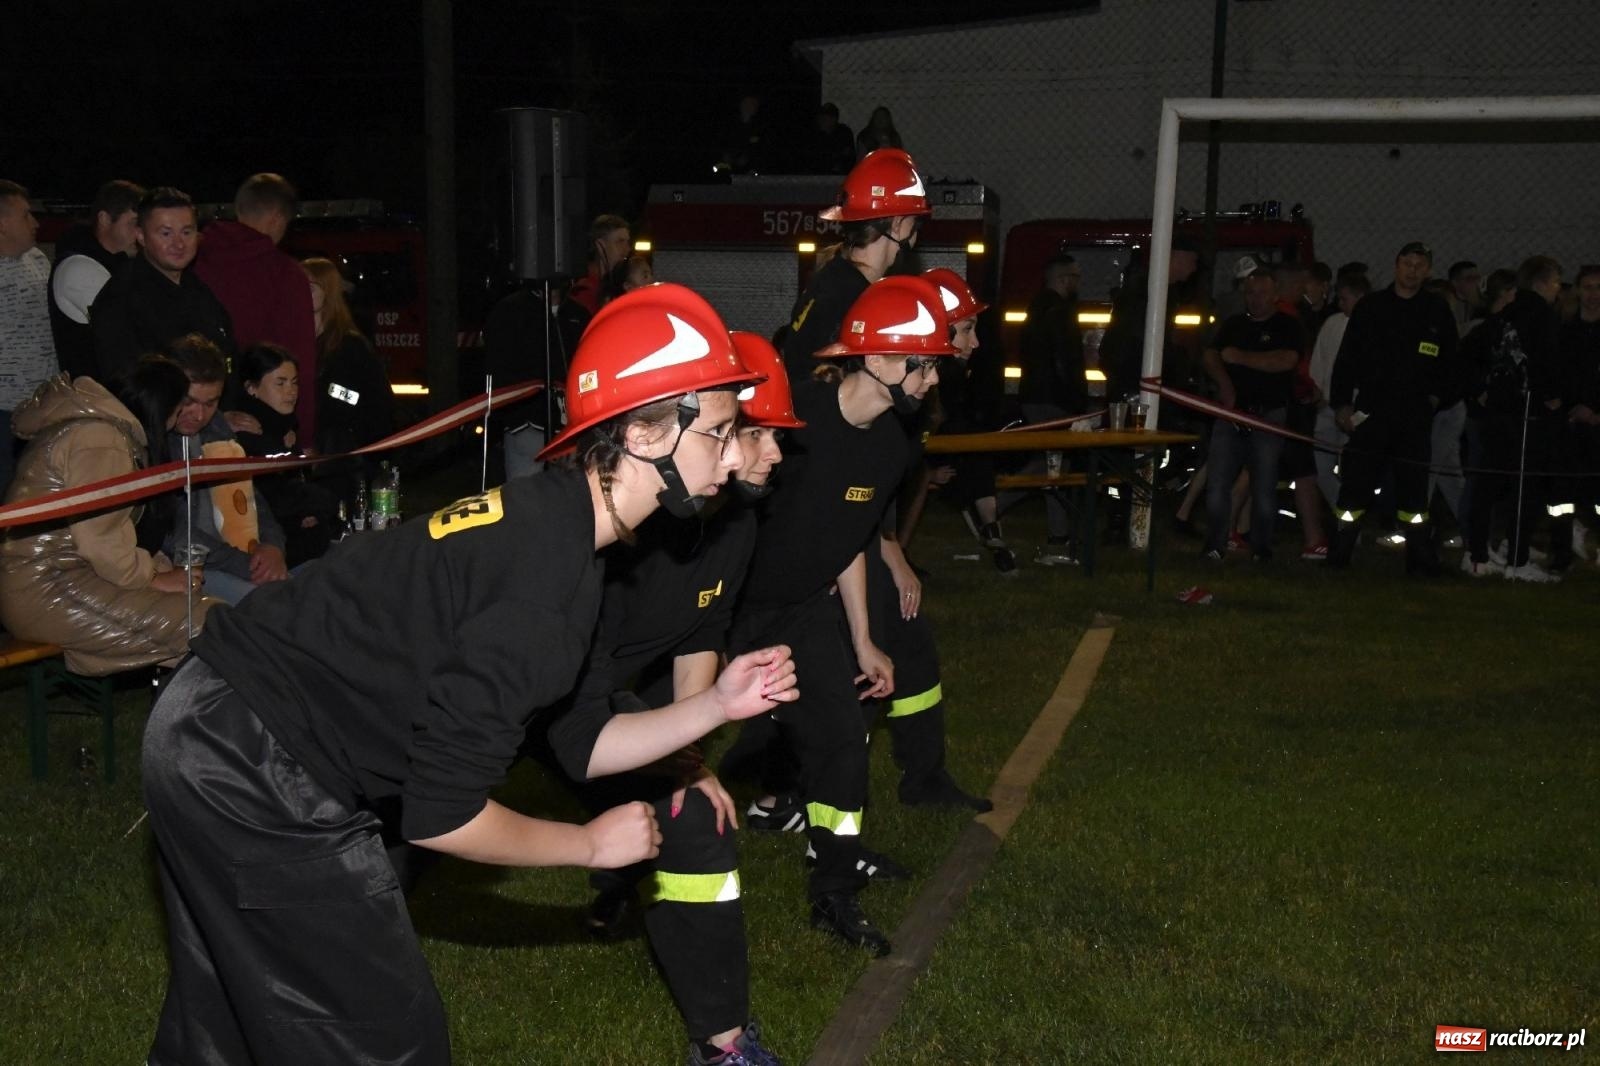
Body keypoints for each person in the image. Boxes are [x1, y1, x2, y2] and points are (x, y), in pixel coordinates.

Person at [140, 284, 795, 1065]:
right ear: (646, 431)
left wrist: (715, 703)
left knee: (226, 1018)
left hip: (213, 723)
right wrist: (585, 843)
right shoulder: (546, 588)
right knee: (388, 1043)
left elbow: (583, 741)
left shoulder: (562, 526)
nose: (737, 456)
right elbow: (442, 816)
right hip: (251, 760)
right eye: (720, 432)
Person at [547, 328, 798, 1066]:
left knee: (693, 822)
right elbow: (576, 688)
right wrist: (678, 762)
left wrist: (686, 758)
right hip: (546, 691)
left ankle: (721, 1046)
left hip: (593, 693)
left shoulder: (736, 520)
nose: (775, 456)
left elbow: (702, 631)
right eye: (755, 437)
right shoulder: (621, 526)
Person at [731, 275, 958, 957]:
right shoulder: (795, 419)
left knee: (840, 736)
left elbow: (851, 538)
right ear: (881, 360)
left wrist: (862, 639)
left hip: (799, 611)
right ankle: (622, 874)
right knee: (671, 745)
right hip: (726, 610)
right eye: (924, 364)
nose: (932, 379)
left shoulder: (892, 446)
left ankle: (834, 881)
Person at [1, 357, 215, 674]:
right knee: (209, 624)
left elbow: (103, 536)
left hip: (54, 583)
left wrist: (160, 571)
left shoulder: (97, 430)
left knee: (209, 621)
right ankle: (203, 718)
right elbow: (99, 540)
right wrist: (154, 578)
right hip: (50, 590)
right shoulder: (100, 439)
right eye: (178, 407)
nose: (179, 418)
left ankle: (193, 713)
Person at [1328, 242, 1459, 575]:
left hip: (1415, 417)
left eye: (1420, 264)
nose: (1412, 270)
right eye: (1407, 263)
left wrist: (1435, 398)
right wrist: (1342, 403)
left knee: (1414, 495)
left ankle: (1420, 560)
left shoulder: (1436, 310)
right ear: (1396, 265)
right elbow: (1347, 360)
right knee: (1355, 486)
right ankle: (1339, 555)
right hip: (1371, 413)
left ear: (1428, 270)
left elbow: (1451, 364)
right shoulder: (1371, 308)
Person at [779, 147, 931, 380]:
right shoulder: (855, 299)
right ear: (899, 225)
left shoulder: (834, 278)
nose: (917, 234)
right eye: (916, 223)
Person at [162, 334, 289, 605]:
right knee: (263, 606)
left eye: (210, 404)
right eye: (189, 401)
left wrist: (273, 546)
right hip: (183, 566)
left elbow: (251, 495)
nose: (198, 414)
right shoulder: (158, 440)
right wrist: (247, 565)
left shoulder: (217, 430)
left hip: (235, 558)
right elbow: (172, 532)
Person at [194, 173, 320, 442]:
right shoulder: (284, 274)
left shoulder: (194, 261)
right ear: (277, 219)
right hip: (265, 424)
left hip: (200, 414)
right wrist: (305, 437)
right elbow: (300, 359)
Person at [1200, 268, 1305, 562]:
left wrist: (1241, 358)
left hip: (1267, 417)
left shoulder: (1288, 326)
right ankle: (1214, 545)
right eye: (1250, 293)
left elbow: (1285, 360)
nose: (1255, 299)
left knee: (1264, 485)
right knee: (1218, 483)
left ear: (1275, 296)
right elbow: (1211, 355)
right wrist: (1225, 384)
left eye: (1261, 293)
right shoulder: (1233, 325)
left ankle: (1261, 547)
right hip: (1232, 415)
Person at [90, 187, 234, 389]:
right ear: (140, 236)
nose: (179, 243)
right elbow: (125, 382)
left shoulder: (199, 289)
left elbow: (226, 356)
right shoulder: (120, 299)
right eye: (166, 233)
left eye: (186, 232)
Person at [232, 343, 341, 565]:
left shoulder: (283, 428)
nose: (291, 391)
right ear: (252, 388)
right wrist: (314, 505)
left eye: (294, 382)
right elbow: (273, 497)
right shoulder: (249, 436)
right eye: (280, 383)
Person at [303, 257, 394, 507]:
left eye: (309, 287)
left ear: (328, 292)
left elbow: (357, 399)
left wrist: (325, 393)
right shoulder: (296, 342)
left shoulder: (349, 346)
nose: (299, 293)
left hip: (344, 457)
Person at [1017, 254, 1086, 564]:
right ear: (1062, 279)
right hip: (1054, 398)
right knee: (1054, 466)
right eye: (1074, 276)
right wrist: (1076, 402)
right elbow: (1064, 361)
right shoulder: (1060, 313)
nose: (1077, 283)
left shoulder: (1037, 308)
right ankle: (992, 500)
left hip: (1036, 393)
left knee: (1051, 463)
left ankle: (1059, 533)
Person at [46, 179, 144, 378]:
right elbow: (131, 329)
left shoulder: (119, 263)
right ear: (105, 219)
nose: (141, 234)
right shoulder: (79, 268)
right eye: (134, 223)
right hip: (94, 400)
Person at [0, 180, 57, 498]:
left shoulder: (37, 259)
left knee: (35, 496)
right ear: (2, 223)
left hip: (43, 405)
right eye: (25, 215)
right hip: (2, 411)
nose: (35, 223)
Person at [1308, 273, 1370, 508]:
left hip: (1358, 407)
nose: (1340, 304)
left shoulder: (1375, 325)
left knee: (1353, 466)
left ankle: (1352, 514)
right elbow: (1320, 360)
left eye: (1344, 299)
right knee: (1320, 466)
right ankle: (1342, 511)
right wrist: (1320, 393)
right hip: (1328, 405)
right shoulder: (1333, 324)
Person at [568, 213, 632, 316]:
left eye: (627, 242)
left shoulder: (618, 285)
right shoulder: (585, 290)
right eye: (620, 242)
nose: (627, 249)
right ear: (600, 245)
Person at [810, 103, 855, 175]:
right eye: (820, 117)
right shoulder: (814, 135)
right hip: (818, 174)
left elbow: (847, 156)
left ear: (834, 119)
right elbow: (815, 158)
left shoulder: (844, 132)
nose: (821, 120)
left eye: (824, 118)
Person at [1444, 260, 1482, 337]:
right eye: (1470, 279)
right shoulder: (1447, 303)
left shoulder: (1480, 301)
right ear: (1455, 283)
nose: (1477, 282)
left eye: (1478, 278)